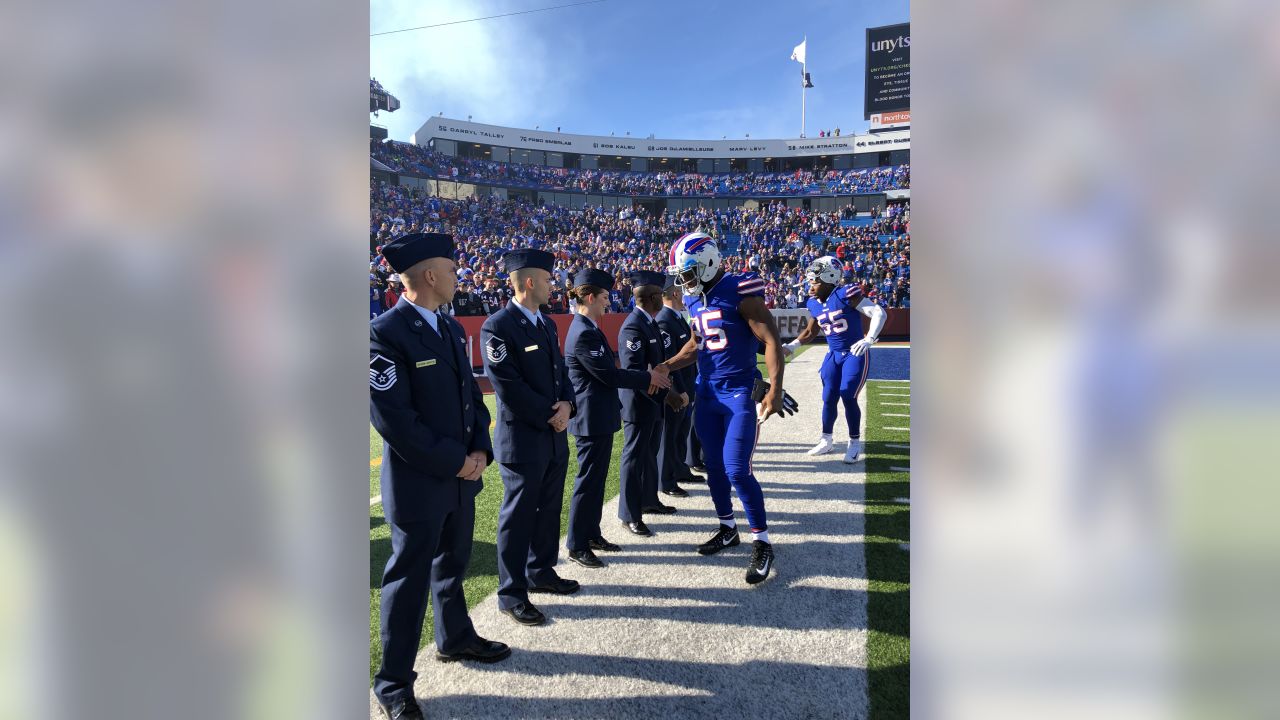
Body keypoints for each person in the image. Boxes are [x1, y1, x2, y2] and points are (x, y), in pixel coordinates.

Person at [370, 233, 510, 720]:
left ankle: (455, 638)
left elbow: (473, 399)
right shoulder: (384, 333)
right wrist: (456, 460)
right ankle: (393, 685)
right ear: (430, 276)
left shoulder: (449, 329)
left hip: (460, 476)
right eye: (452, 269)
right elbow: (395, 422)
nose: (458, 276)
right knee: (407, 582)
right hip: (420, 482)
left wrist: (479, 450)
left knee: (453, 564)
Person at [659, 232, 788, 585]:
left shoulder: (739, 291)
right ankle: (727, 527)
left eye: (688, 271)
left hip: (738, 394)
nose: (682, 280)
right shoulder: (693, 298)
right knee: (714, 467)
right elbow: (697, 344)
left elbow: (771, 339)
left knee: (736, 469)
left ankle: (761, 541)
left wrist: (774, 388)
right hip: (707, 393)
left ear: (709, 263)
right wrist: (667, 365)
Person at [482, 248, 580, 627]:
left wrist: (568, 405)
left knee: (548, 509)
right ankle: (511, 593)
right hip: (524, 439)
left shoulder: (547, 324)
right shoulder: (499, 326)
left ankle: (541, 571)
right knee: (518, 516)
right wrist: (550, 415)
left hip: (553, 435)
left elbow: (561, 372)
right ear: (529, 283)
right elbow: (508, 386)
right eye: (548, 279)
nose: (553, 285)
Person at [563, 268, 671, 568]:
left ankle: (592, 533)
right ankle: (576, 544)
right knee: (587, 482)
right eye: (604, 298)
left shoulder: (590, 328)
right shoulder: (583, 332)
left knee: (596, 481)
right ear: (588, 297)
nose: (607, 303)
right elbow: (609, 375)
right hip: (589, 418)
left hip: (599, 416)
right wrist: (647, 376)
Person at [784, 256, 886, 462]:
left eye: (815, 281)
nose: (810, 285)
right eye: (810, 280)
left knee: (848, 394)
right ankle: (826, 439)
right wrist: (792, 346)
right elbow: (811, 332)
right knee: (828, 397)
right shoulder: (813, 303)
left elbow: (878, 313)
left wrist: (869, 339)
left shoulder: (844, 294)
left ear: (830, 278)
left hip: (854, 352)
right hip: (833, 355)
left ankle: (854, 442)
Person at [617, 270, 681, 535]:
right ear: (652, 297)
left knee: (649, 455)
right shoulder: (633, 326)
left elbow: (658, 367)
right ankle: (629, 514)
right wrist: (667, 394)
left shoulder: (650, 323)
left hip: (653, 403)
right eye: (659, 294)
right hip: (639, 405)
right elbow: (635, 372)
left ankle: (649, 500)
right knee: (633, 460)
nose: (662, 298)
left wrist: (664, 393)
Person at [655, 276, 697, 496]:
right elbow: (671, 361)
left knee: (681, 432)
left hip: (688, 384)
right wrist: (679, 390)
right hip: (678, 388)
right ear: (675, 293)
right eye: (682, 290)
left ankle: (680, 470)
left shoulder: (677, 317)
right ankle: (666, 480)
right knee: (669, 436)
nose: (685, 294)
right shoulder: (664, 320)